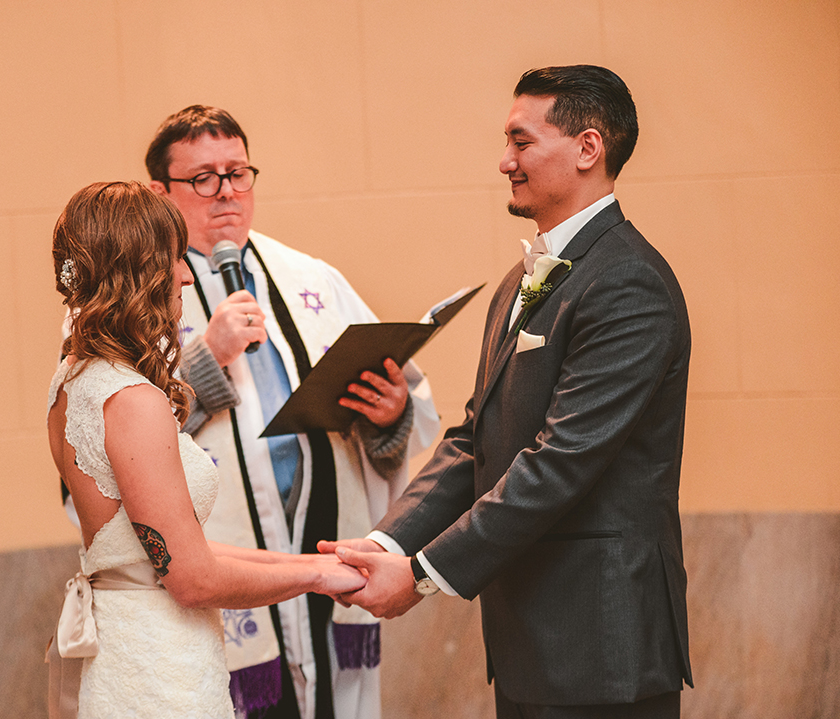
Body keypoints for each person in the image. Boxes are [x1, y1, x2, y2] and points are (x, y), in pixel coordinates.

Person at [321, 65, 694, 719]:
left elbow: (559, 460)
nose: (505, 161)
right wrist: (386, 542)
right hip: (531, 639)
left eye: (521, 142)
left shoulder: (628, 282)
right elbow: (477, 435)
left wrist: (422, 574)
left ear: (587, 147)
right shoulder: (519, 281)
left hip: (602, 643)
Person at [144, 106, 440, 719]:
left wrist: (389, 415)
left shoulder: (312, 278)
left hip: (321, 537)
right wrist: (207, 359)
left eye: (238, 172)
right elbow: (114, 445)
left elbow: (398, 413)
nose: (226, 191)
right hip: (224, 559)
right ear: (159, 193)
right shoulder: (140, 296)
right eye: (203, 177)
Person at [45, 181, 366, 719]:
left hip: (131, 642)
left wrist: (315, 562)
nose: (187, 275)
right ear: (141, 272)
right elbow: (191, 578)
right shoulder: (131, 400)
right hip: (160, 665)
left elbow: (170, 549)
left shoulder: (72, 379)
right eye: (174, 259)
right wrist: (315, 578)